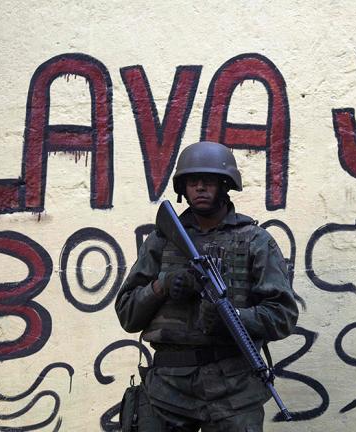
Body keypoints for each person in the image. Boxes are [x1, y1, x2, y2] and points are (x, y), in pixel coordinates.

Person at [115, 141, 299, 431]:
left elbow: (282, 316)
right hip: (167, 388)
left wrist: (233, 318)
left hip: (233, 388)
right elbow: (127, 314)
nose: (199, 188)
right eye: (192, 181)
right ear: (182, 188)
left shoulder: (254, 240)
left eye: (209, 181)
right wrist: (162, 286)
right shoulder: (162, 240)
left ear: (225, 185)